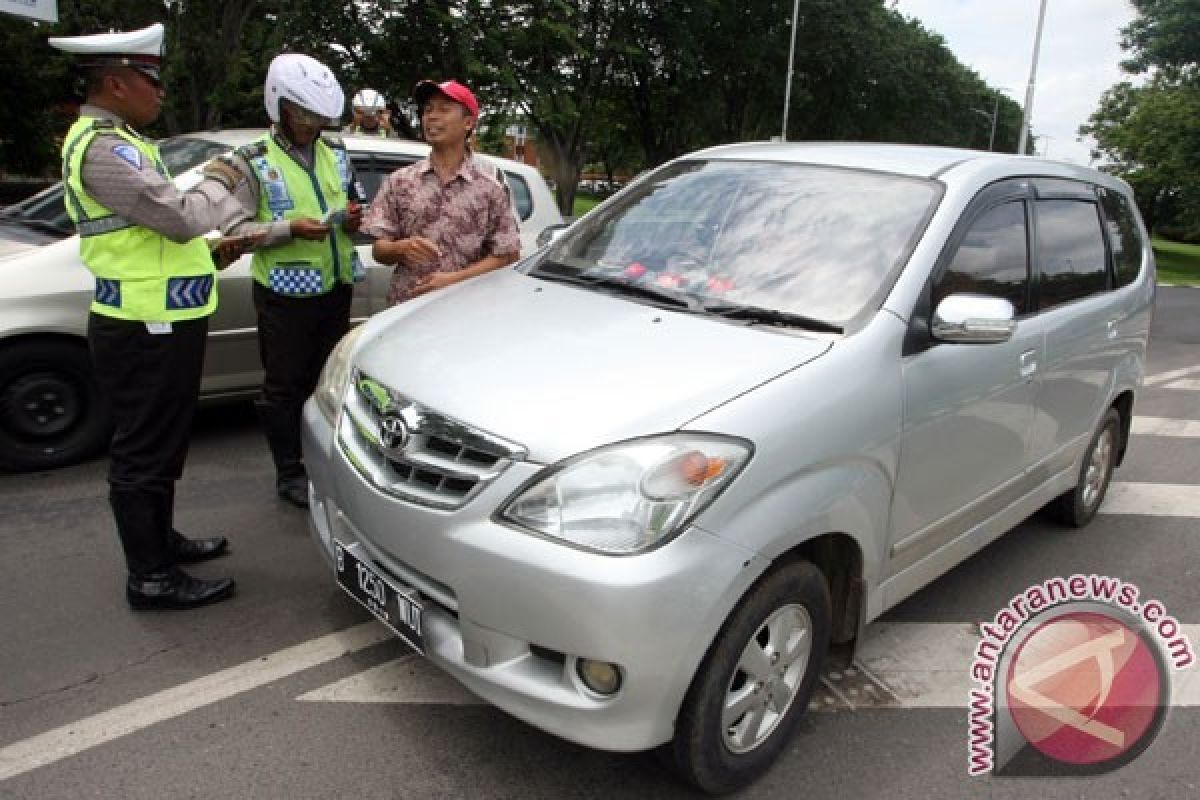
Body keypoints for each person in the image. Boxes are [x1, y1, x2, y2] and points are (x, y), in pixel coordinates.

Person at [48, 23, 248, 610]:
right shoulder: (103, 148)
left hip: (161, 316)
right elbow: (179, 217)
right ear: (115, 82)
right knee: (143, 449)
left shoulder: (124, 140)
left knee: (162, 441)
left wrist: (208, 252)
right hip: (140, 323)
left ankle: (161, 541)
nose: (159, 92)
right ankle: (151, 577)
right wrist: (224, 181)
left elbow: (155, 236)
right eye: (150, 80)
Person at [199, 54, 365, 507]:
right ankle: (289, 471)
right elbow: (230, 233)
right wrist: (288, 229)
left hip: (336, 286)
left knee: (326, 381)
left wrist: (351, 219)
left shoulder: (336, 151)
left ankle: (323, 462)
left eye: (319, 117)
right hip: (285, 296)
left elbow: (352, 205)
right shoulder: (250, 161)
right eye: (304, 114)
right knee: (284, 386)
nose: (313, 124)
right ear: (280, 106)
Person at [364, 79, 520, 306]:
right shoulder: (400, 181)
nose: (432, 117)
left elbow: (508, 255)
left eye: (444, 109)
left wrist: (454, 281)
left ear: (468, 123)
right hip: (406, 309)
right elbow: (379, 251)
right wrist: (401, 248)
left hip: (464, 311)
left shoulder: (489, 188)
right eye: (427, 110)